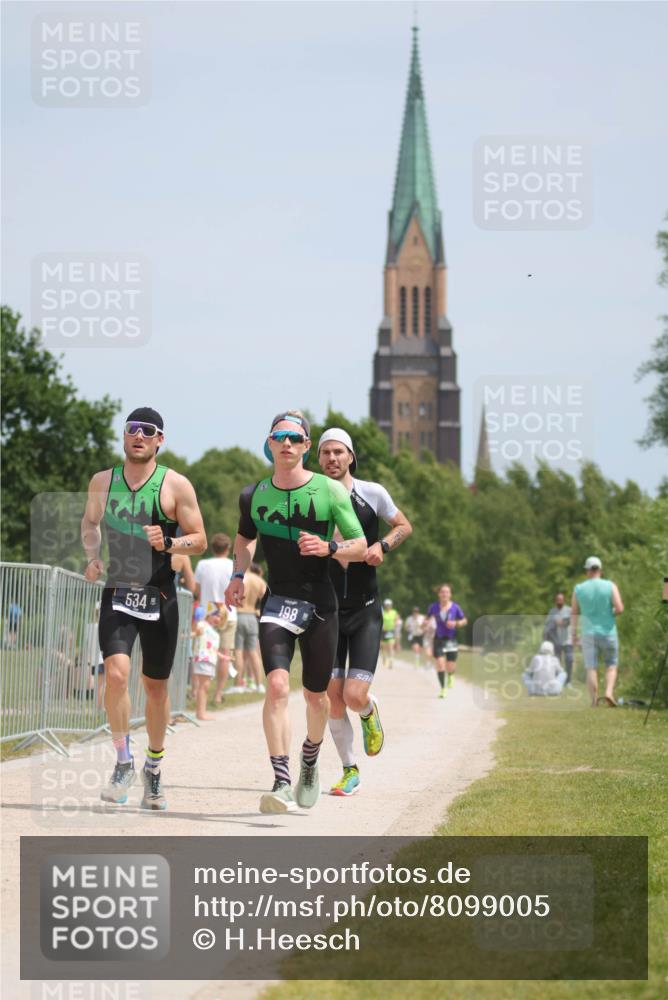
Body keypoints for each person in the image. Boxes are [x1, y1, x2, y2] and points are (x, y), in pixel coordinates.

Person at [225, 411, 367, 814]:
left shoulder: (330, 492)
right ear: (269, 444)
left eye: (294, 438)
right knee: (276, 687)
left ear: (306, 446)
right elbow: (244, 538)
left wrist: (330, 548)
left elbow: (359, 545)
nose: (286, 444)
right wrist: (238, 574)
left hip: (321, 604)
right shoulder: (253, 495)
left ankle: (310, 758)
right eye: (278, 437)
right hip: (278, 602)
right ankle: (282, 779)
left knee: (316, 696)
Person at [81, 407, 206, 810]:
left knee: (155, 687)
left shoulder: (175, 485)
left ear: (159, 440)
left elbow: (200, 539)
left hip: (160, 596)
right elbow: (90, 523)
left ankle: (153, 767)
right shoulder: (103, 481)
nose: (137, 435)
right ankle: (122, 761)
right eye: (131, 429)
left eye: (146, 430)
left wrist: (168, 543)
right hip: (118, 590)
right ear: (124, 437)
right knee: (116, 675)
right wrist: (92, 556)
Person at [318, 427, 412, 797]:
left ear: (351, 456)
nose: (332, 459)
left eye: (338, 452)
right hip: (327, 611)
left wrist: (383, 546)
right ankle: (349, 769)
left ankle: (369, 712)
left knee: (354, 696)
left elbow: (403, 525)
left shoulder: (372, 493)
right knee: (332, 696)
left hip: (365, 610)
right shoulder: (311, 497)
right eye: (325, 453)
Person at [571, 556, 624, 708]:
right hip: (608, 632)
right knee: (611, 665)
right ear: (600, 570)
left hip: (588, 633)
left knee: (591, 667)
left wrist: (574, 634)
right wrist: (610, 612)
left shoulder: (579, 589)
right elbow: (620, 608)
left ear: (587, 571)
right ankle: (608, 692)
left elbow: (574, 612)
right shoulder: (610, 585)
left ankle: (594, 700)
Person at [194, 533, 237, 703]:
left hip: (207, 612)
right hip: (228, 611)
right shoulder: (235, 565)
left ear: (212, 548)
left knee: (200, 652)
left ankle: (197, 691)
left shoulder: (203, 564)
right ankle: (218, 694)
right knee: (225, 654)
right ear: (228, 548)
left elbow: (196, 590)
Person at [427, 584, 467, 698]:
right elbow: (427, 619)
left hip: (451, 639)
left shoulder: (455, 607)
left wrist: (456, 623)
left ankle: (450, 675)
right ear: (439, 594)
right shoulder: (433, 607)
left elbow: (464, 620)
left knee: (450, 665)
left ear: (450, 594)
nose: (444, 594)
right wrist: (425, 624)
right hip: (438, 639)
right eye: (442, 592)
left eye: (447, 592)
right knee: (440, 664)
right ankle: (442, 689)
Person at [233, 562, 268, 693]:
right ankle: (259, 684)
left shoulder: (239, 578)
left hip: (239, 614)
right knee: (253, 652)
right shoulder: (258, 580)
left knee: (238, 651)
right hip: (253, 616)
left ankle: (238, 684)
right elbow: (266, 597)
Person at [191, 605, 220, 720]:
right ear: (208, 615)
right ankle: (200, 713)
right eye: (216, 615)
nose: (218, 619)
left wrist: (222, 656)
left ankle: (201, 712)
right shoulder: (202, 624)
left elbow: (212, 647)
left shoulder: (212, 630)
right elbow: (196, 631)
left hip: (209, 659)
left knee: (205, 686)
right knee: (204, 686)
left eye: (220, 617)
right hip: (203, 658)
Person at [543, 592, 574, 685]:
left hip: (567, 640)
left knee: (569, 660)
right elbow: (547, 625)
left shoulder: (569, 610)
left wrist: (562, 622)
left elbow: (569, 621)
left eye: (561, 599)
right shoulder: (552, 611)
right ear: (555, 601)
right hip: (556, 641)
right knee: (557, 662)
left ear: (564, 600)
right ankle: (558, 681)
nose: (559, 601)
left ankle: (568, 681)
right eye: (558, 600)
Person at [380, 599, 399, 669]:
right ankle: (384, 658)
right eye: (386, 605)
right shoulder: (383, 612)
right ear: (385, 606)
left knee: (391, 646)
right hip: (384, 632)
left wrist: (395, 624)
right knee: (384, 647)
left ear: (391, 605)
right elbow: (380, 620)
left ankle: (391, 661)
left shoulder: (394, 612)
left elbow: (397, 620)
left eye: (389, 605)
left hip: (391, 631)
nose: (388, 606)